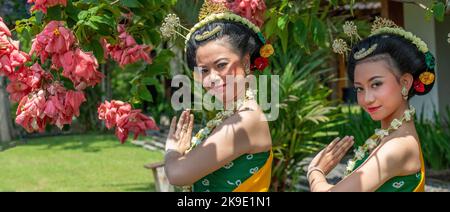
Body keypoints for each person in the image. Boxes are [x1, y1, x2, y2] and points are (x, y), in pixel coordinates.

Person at [307, 18, 435, 192]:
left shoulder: (397, 147)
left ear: (405, 82)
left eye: (376, 84)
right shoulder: (385, 138)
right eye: (359, 88)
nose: (367, 98)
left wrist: (315, 172)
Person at [161, 1, 273, 192]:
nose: (212, 78)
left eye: (221, 65)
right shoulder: (235, 115)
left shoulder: (246, 120)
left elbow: (177, 174)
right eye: (204, 70)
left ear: (246, 62)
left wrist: (172, 151)